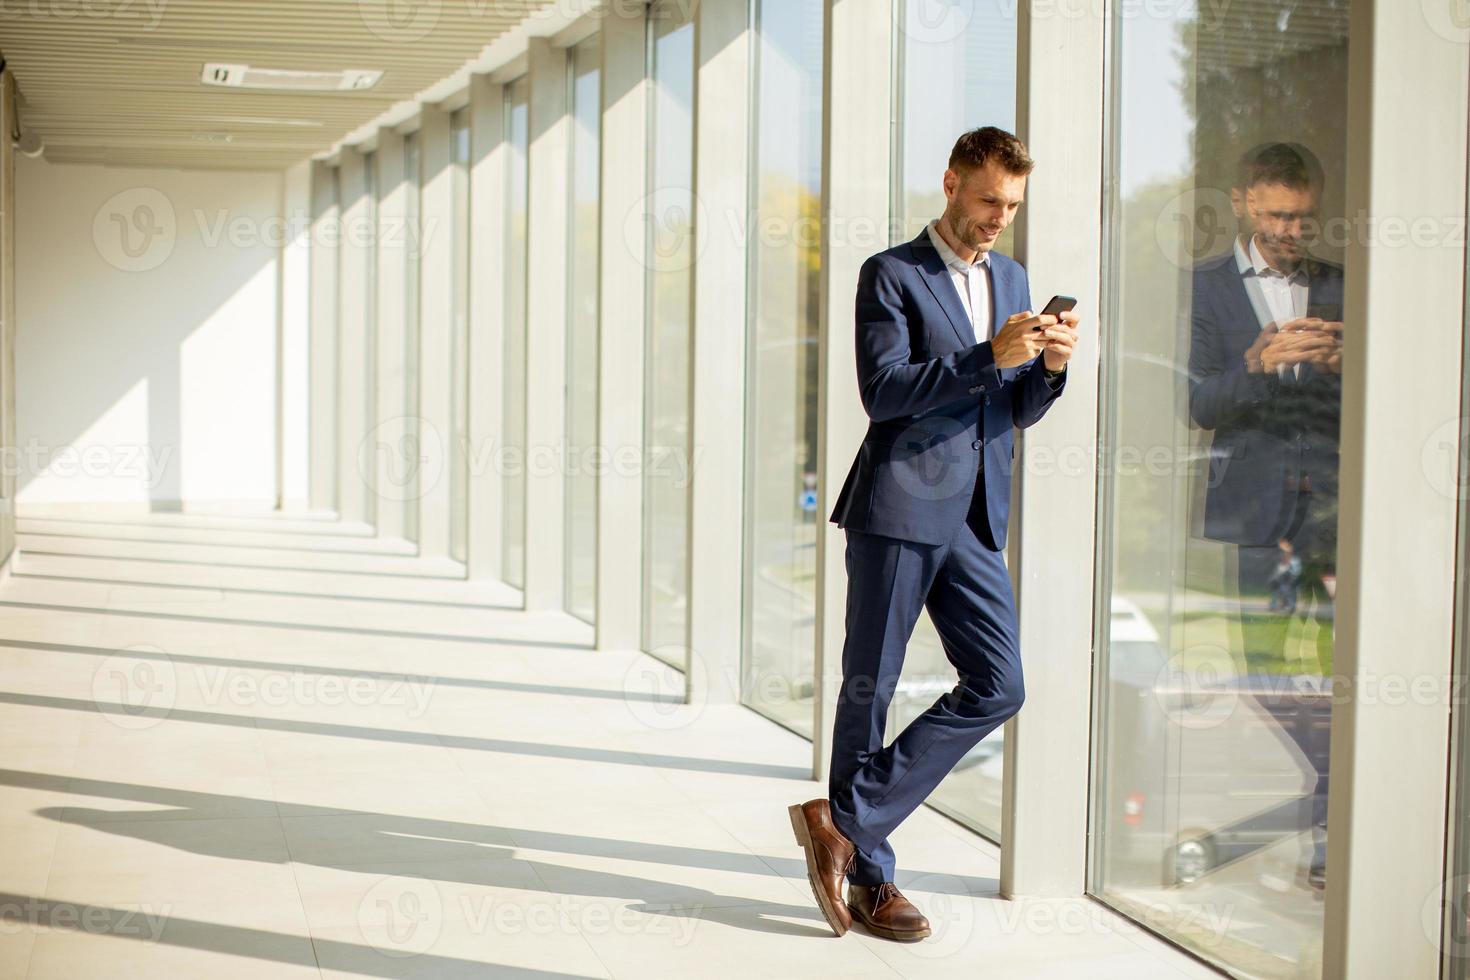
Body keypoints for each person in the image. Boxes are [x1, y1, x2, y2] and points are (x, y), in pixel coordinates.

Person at [787, 126, 1078, 941]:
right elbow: (882, 392)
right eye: (988, 200)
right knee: (869, 690)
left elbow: (1010, 409)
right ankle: (873, 881)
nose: (999, 218)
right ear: (952, 183)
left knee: (1000, 682)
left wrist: (1049, 370)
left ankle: (842, 819)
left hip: (979, 516)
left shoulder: (1012, 276)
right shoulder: (891, 274)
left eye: (1012, 205)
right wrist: (990, 355)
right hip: (900, 505)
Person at [1188, 142, 1343, 889]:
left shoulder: (1343, 288)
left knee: (1342, 671)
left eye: (1303, 217)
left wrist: (1349, 363)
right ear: (1246, 201)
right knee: (1264, 670)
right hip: (1252, 508)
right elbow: (1195, 403)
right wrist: (1252, 365)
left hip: (1336, 512)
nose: (1290, 229)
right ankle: (1331, 790)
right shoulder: (1204, 289)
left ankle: (1333, 824)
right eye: (1278, 214)